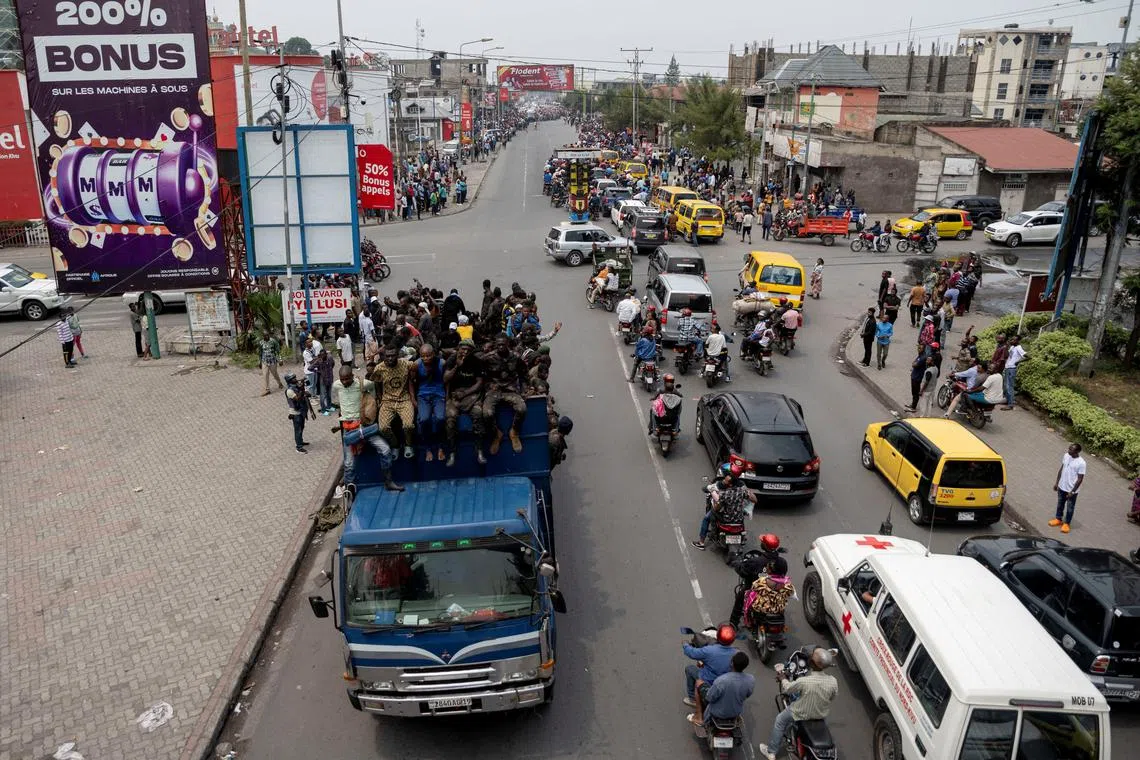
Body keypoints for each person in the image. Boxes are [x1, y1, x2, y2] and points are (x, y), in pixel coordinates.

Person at [758, 648, 839, 760]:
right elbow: (832, 697)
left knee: (780, 721)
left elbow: (787, 689)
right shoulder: (833, 681)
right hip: (820, 714)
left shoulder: (804, 681)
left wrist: (783, 678)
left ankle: (771, 752)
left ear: (811, 663)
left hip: (799, 712)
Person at [331, 365, 403, 491]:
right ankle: (349, 489)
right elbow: (334, 400)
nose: (345, 382)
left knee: (385, 449)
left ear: (353, 376)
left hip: (364, 426)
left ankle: (388, 481)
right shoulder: (336, 385)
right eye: (342, 379)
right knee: (348, 463)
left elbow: (374, 389)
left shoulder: (363, 384)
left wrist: (370, 406)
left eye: (347, 379)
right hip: (349, 428)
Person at [682, 623, 738, 725]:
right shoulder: (736, 653)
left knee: (690, 670)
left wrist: (685, 645)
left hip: (708, 684)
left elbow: (692, 653)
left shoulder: (709, 651)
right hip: (727, 687)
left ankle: (693, 700)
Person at [482, 335, 529, 454]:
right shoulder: (488, 358)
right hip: (494, 390)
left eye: (503, 344)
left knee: (522, 409)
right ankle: (496, 434)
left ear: (508, 344)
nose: (501, 347)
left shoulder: (515, 357)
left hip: (510, 389)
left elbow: (524, 374)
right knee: (487, 414)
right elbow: (481, 375)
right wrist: (488, 387)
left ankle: (514, 432)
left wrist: (523, 390)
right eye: (498, 345)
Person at [693, 465, 757, 549]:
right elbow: (754, 499)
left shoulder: (725, 493)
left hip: (726, 519)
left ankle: (702, 542)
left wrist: (716, 506)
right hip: (738, 519)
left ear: (729, 483)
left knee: (707, 517)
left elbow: (717, 507)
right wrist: (748, 493)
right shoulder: (742, 489)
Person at [691, 650, 754, 731]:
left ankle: (699, 717)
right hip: (736, 712)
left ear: (731, 663)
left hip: (716, 712)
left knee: (698, 682)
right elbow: (747, 694)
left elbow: (710, 697)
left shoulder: (721, 680)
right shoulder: (751, 679)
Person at [373, 343, 417, 459]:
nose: (390, 358)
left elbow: (416, 365)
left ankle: (408, 444)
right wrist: (379, 397)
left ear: (397, 355)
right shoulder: (379, 368)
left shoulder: (405, 364)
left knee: (408, 425)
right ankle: (395, 445)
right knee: (383, 428)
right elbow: (377, 383)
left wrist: (413, 375)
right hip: (387, 401)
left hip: (404, 399)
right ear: (384, 356)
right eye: (387, 356)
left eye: (393, 355)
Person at [414, 344, 447, 462]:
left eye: (428, 356)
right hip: (423, 395)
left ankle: (441, 446)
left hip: (439, 394)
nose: (426, 358)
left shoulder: (441, 363)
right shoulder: (417, 364)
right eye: (423, 356)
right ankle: (427, 448)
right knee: (423, 420)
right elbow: (411, 382)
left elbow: (447, 380)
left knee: (440, 418)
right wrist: (413, 399)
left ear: (433, 354)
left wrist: (447, 396)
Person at [1049, 443, 1086, 534]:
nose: (1068, 450)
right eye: (1069, 448)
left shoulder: (1081, 463)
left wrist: (1072, 491)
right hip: (1062, 486)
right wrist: (1057, 483)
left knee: (1070, 507)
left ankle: (1066, 524)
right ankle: (1058, 519)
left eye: (1071, 449)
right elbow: (1061, 469)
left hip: (1071, 490)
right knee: (1060, 504)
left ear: (1077, 451)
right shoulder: (1066, 456)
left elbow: (1080, 479)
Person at [284, 372, 313, 453]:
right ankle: (299, 447)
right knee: (298, 430)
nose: (295, 379)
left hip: (302, 411)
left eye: (295, 377)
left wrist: (304, 389)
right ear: (289, 381)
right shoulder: (289, 391)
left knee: (302, 427)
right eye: (293, 378)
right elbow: (298, 398)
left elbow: (306, 394)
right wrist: (302, 388)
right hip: (295, 413)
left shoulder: (297, 386)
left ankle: (300, 441)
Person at [1002, 335, 1027, 410]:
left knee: (1009, 386)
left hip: (1012, 369)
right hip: (1008, 367)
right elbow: (1006, 355)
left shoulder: (1019, 348)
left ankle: (1010, 404)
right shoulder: (1012, 347)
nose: (1011, 341)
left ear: (1018, 341)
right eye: (1011, 339)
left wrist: (1018, 362)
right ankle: (1008, 401)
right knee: (1006, 385)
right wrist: (1006, 347)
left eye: (1013, 340)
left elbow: (1029, 356)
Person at [258, 330, 284, 396]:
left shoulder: (273, 341)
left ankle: (279, 383)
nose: (266, 336)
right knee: (265, 375)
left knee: (275, 374)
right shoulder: (261, 343)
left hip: (272, 361)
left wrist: (280, 360)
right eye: (265, 335)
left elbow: (277, 351)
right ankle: (267, 389)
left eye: (267, 335)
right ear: (263, 336)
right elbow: (260, 353)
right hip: (264, 361)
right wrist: (260, 361)